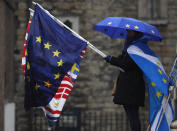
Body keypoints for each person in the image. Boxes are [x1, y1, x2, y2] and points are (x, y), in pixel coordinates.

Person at [104, 30, 146, 131]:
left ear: (136, 34)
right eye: (127, 32)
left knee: (133, 115)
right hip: (130, 87)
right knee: (131, 115)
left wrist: (111, 60)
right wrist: (114, 59)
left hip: (132, 88)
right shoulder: (130, 48)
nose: (128, 34)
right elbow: (122, 60)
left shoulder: (136, 48)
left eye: (130, 33)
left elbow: (126, 64)